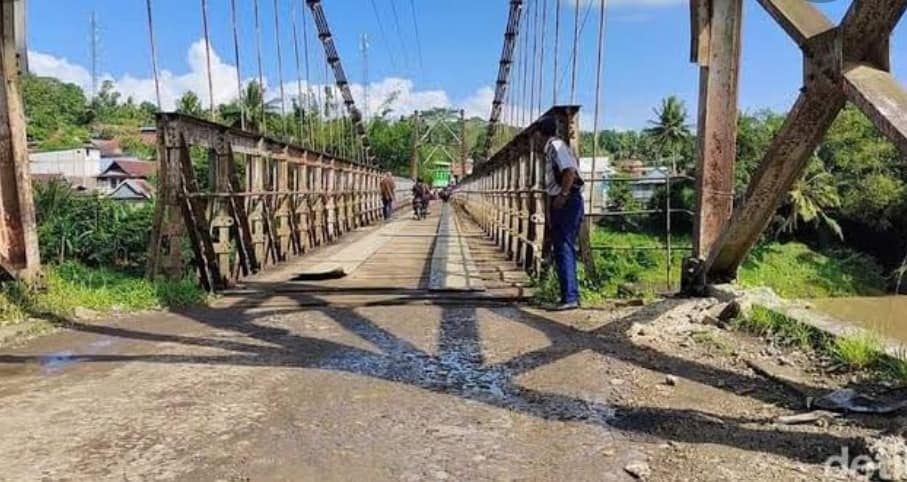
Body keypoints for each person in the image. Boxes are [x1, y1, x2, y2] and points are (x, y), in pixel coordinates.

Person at [536, 115, 585, 311]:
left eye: (537, 136)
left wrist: (563, 195)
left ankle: (570, 297)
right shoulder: (552, 148)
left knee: (564, 247)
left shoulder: (556, 146)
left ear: (540, 134)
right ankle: (568, 295)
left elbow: (570, 171)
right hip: (563, 202)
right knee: (562, 247)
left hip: (567, 203)